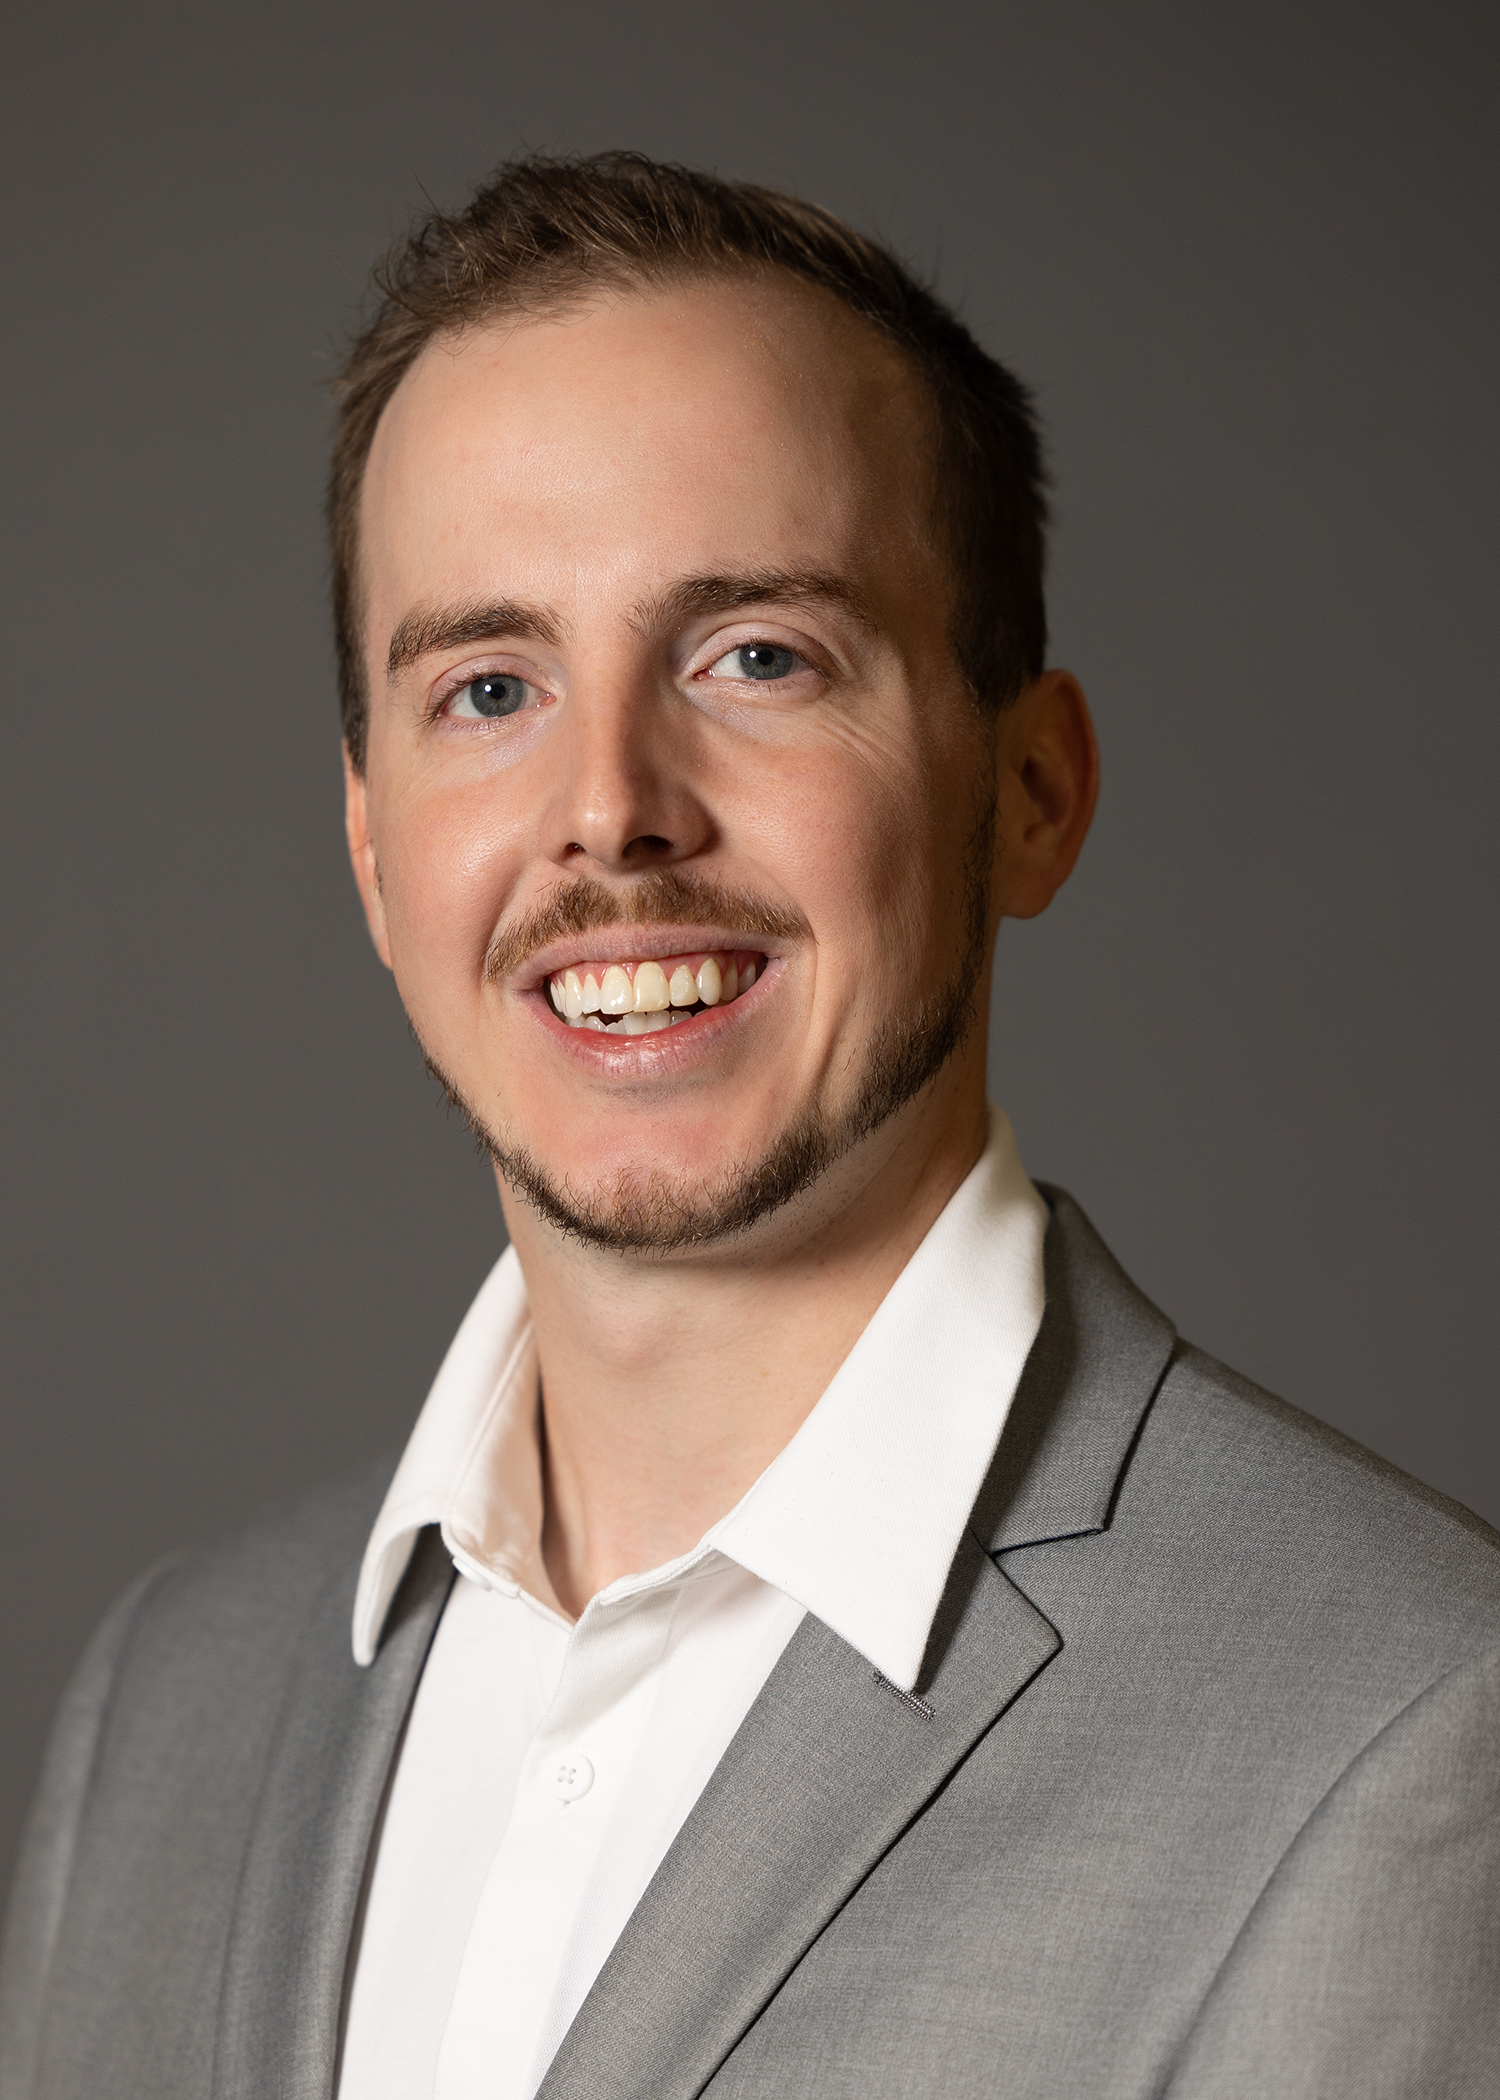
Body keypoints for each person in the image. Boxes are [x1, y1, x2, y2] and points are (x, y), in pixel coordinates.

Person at [1, 151, 1496, 2100]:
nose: (609, 808)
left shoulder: (1407, 1733)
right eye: (490, 686)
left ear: (1031, 794)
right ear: (373, 855)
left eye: (758, 657)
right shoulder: (159, 1710)